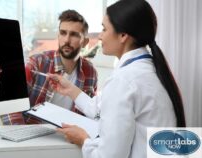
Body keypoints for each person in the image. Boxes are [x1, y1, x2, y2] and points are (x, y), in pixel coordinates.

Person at [48, 0, 186, 157]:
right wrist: (71, 90)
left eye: (104, 29)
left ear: (122, 36)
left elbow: (110, 155)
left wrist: (83, 140)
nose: (100, 36)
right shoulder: (148, 69)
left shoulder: (124, 80)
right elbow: (101, 107)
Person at [0, 9, 98, 125]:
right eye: (63, 33)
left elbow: (91, 113)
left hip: (68, 138)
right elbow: (9, 104)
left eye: (74, 35)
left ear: (85, 42)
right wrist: (20, 134)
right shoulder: (37, 63)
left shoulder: (90, 72)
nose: (66, 40)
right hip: (31, 135)